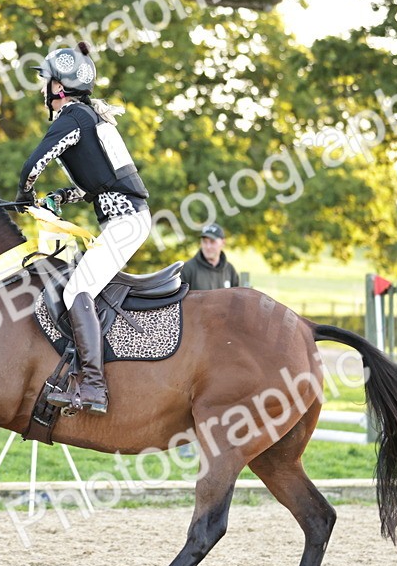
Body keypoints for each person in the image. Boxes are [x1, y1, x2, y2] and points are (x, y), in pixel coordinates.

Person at [15, 42, 151, 415]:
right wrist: (61, 196)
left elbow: (32, 164)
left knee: (78, 289)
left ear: (58, 88)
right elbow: (99, 182)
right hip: (124, 219)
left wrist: (23, 193)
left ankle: (93, 387)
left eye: (46, 82)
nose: (43, 89)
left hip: (125, 223)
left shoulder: (73, 118)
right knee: (75, 284)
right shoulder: (89, 119)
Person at [181, 223, 240, 291]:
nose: (208, 247)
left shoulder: (230, 270)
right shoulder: (187, 269)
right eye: (204, 241)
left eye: (212, 241)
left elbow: (237, 299)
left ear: (223, 242)